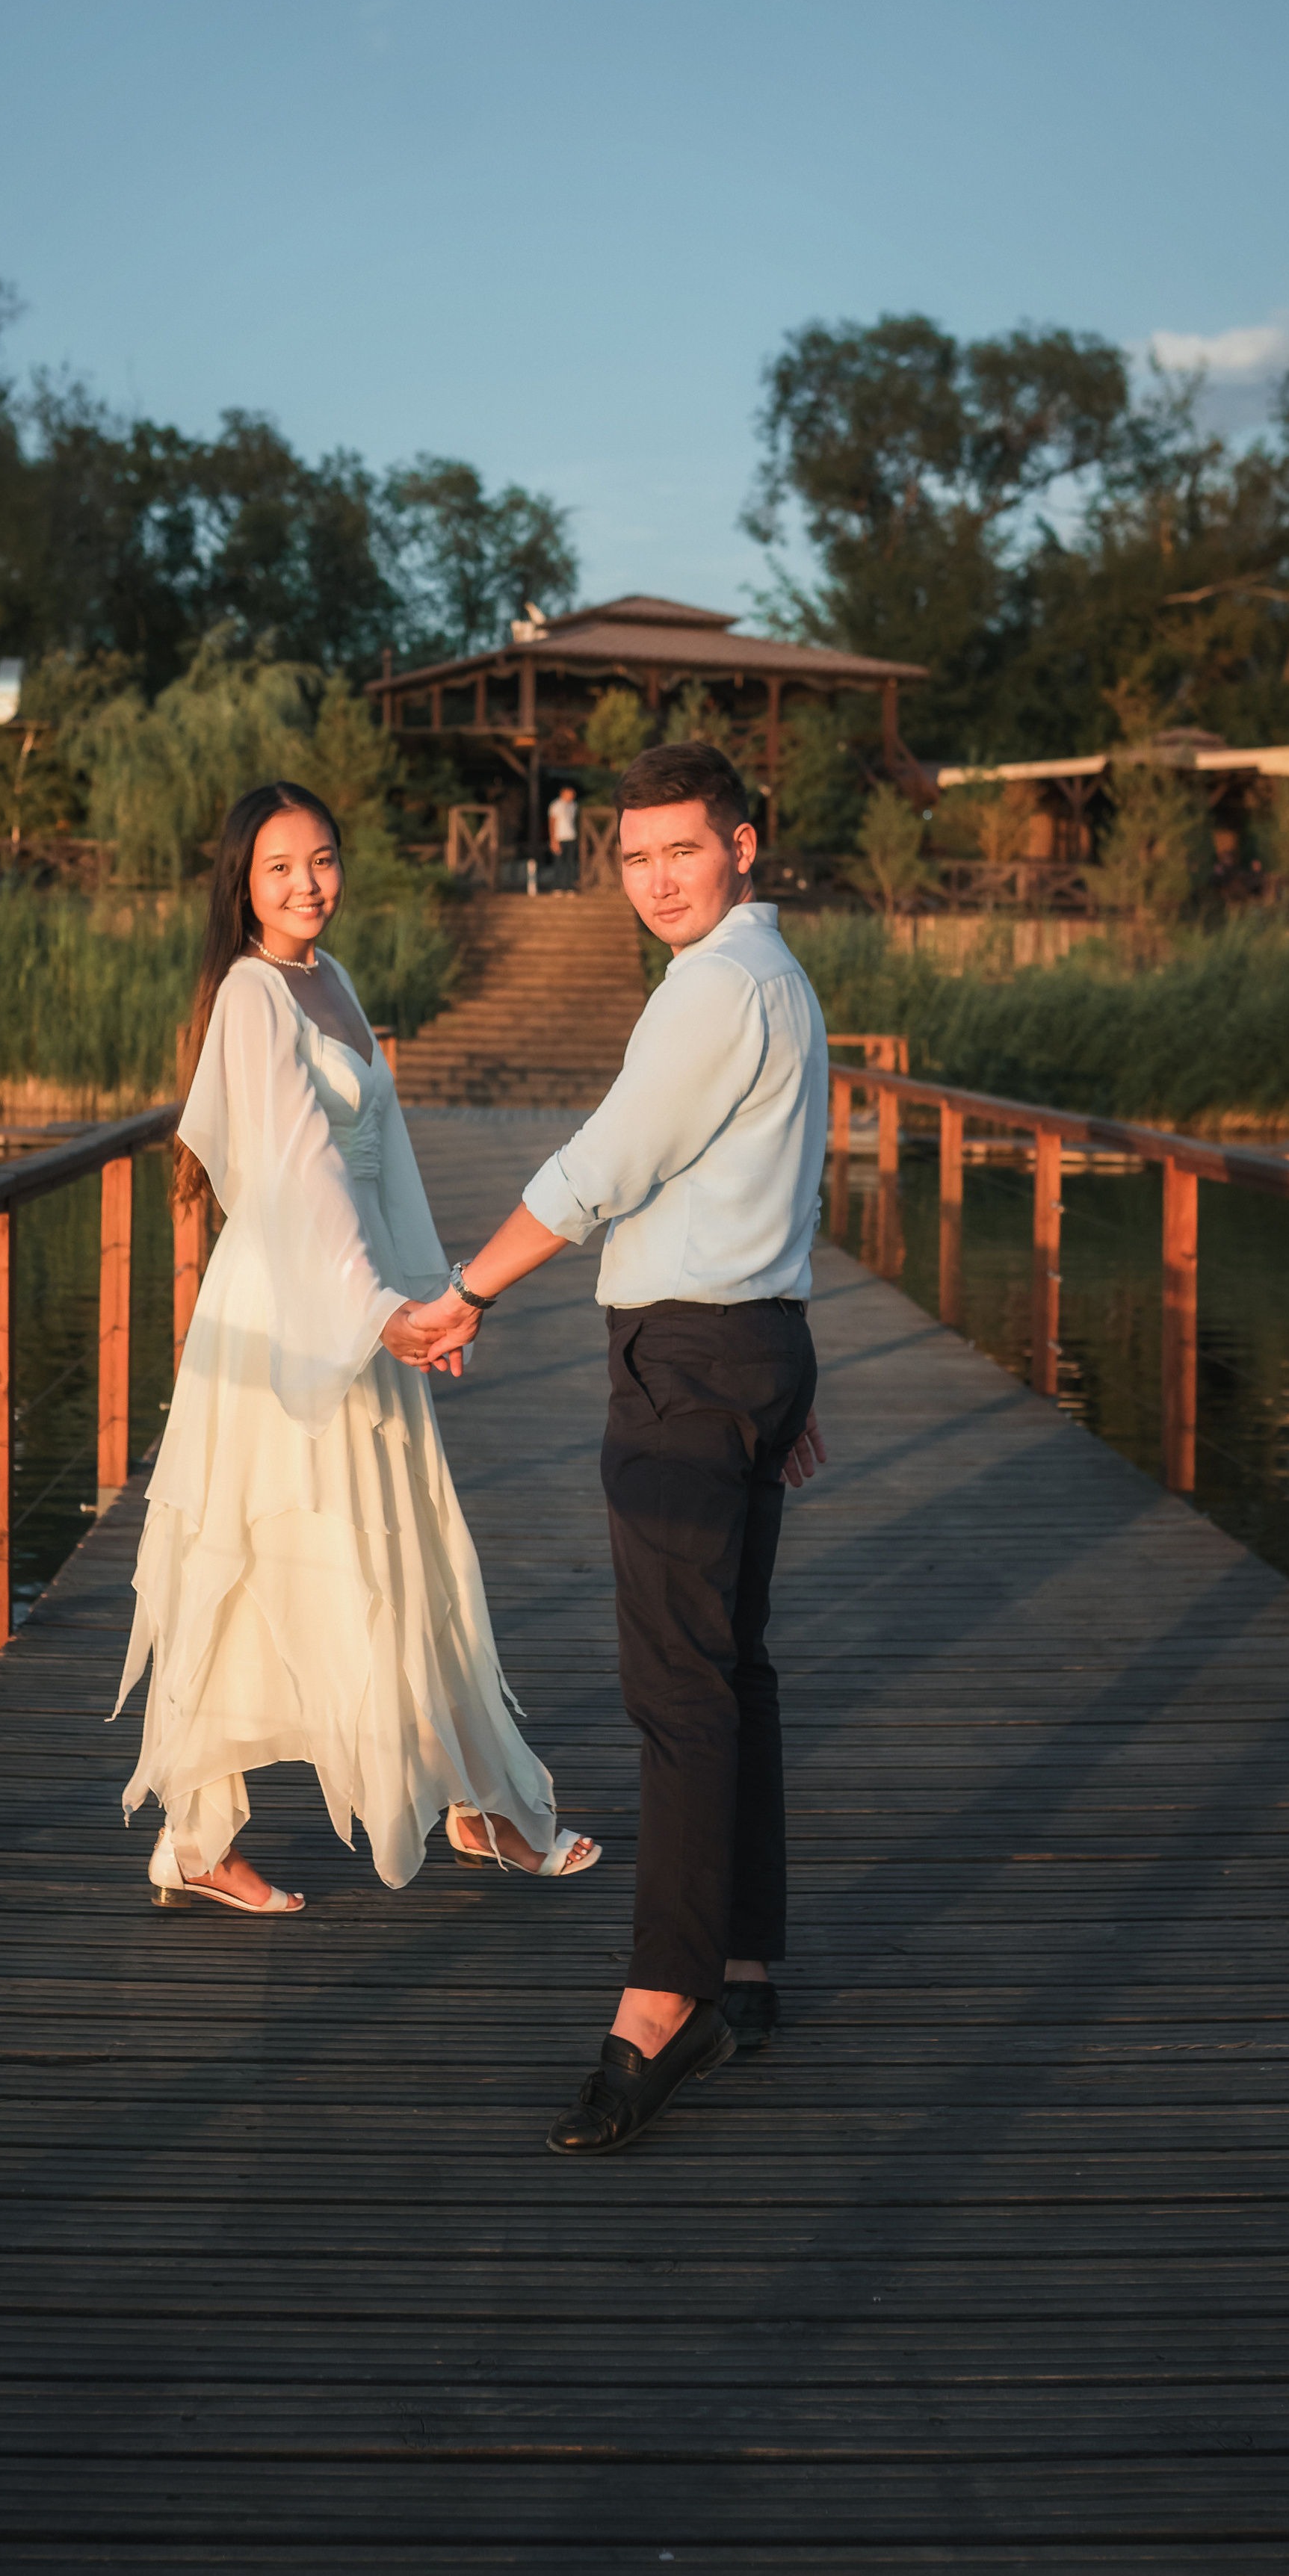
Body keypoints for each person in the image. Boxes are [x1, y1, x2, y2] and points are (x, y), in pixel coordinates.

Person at [407, 740, 828, 2153]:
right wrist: (787, 1354)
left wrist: (466, 1292)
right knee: (735, 1672)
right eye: (635, 858)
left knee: (679, 1691)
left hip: (691, 1363)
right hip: (752, 1344)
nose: (654, 881)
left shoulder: (714, 990)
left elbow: (602, 1167)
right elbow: (781, 1170)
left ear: (743, 845)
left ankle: (667, 2000)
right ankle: (746, 1964)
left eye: (683, 852)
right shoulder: (774, 976)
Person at [114, 781, 599, 1911]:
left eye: (323, 860)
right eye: (281, 867)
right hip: (290, 1307)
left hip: (364, 1292)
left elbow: (385, 1158)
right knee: (247, 1555)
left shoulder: (331, 980)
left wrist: (432, 1301)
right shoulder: (249, 995)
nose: (307, 885)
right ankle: (199, 1836)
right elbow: (297, 1173)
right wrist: (379, 1311)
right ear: (243, 881)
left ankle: (478, 1801)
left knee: (406, 1545)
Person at [545, 784, 580, 891]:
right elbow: (552, 823)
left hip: (571, 837)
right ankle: (557, 886)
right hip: (559, 837)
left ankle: (569, 886)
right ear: (563, 793)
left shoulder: (574, 806)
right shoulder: (556, 805)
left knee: (570, 863)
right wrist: (553, 840)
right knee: (559, 863)